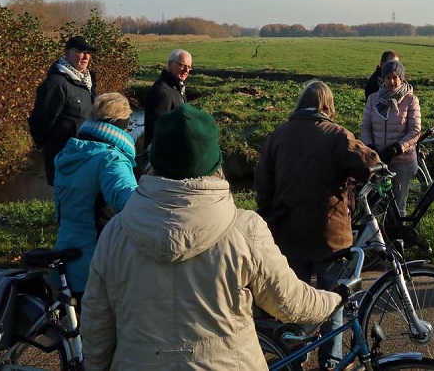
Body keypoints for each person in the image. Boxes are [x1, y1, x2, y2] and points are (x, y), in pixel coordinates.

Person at [81, 104, 341, 370]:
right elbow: (289, 302)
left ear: (153, 160)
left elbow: (96, 325)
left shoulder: (116, 232)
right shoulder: (245, 230)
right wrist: (333, 300)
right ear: (215, 162)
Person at [255, 80, 380, 371]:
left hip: (288, 233)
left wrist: (270, 211)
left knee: (291, 301)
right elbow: (369, 162)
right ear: (327, 104)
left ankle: (293, 356)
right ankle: (331, 362)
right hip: (330, 237)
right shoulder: (336, 135)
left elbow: (262, 181)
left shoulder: (280, 134)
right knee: (332, 300)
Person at [53, 92, 138, 298]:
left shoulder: (69, 153)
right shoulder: (110, 159)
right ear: (121, 123)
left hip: (64, 255)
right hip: (96, 264)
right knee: (101, 328)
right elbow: (130, 202)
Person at [29, 36, 98, 186]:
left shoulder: (87, 81)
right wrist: (52, 149)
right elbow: (39, 122)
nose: (86, 56)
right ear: (67, 54)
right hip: (63, 159)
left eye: (88, 52)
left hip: (83, 157)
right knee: (66, 203)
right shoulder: (57, 83)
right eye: (80, 51)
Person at [362, 59, 420, 217]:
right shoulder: (373, 99)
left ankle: (398, 239)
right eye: (388, 78)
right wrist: (370, 146)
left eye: (395, 77)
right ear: (383, 79)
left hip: (403, 161)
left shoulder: (410, 100)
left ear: (401, 78)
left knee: (398, 206)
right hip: (379, 161)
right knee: (375, 205)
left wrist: (397, 148)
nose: (392, 81)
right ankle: (377, 239)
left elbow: (415, 131)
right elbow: (366, 127)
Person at [142, 48, 192, 149]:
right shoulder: (161, 92)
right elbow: (158, 130)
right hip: (162, 157)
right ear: (170, 64)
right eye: (182, 65)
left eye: (189, 67)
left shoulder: (177, 87)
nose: (186, 70)